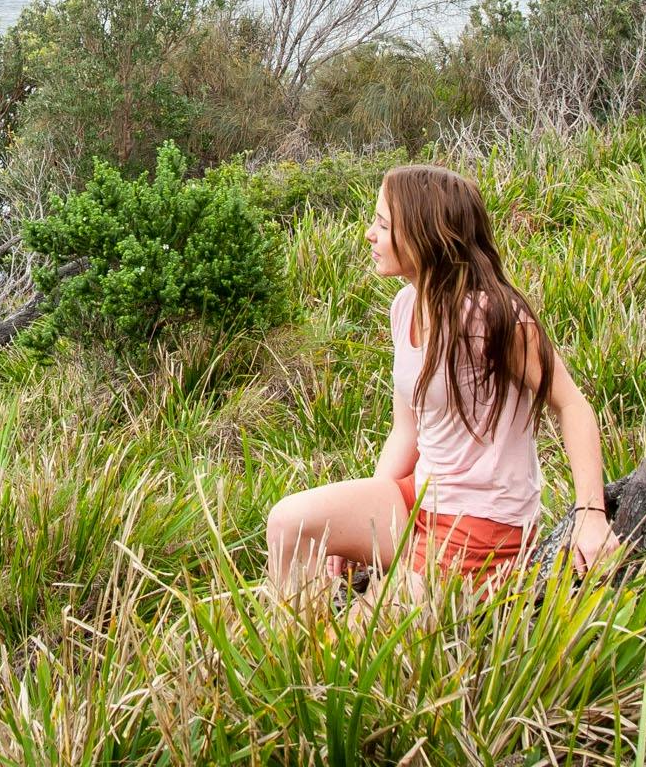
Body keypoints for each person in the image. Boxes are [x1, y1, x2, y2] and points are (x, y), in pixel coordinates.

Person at [265, 162, 619, 599]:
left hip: (485, 519)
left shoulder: (493, 315)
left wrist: (590, 513)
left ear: (423, 234)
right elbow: (406, 431)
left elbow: (572, 404)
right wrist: (357, 520)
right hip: (421, 498)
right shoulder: (404, 306)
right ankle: (299, 643)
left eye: (383, 224)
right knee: (289, 524)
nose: (368, 234)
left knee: (365, 632)